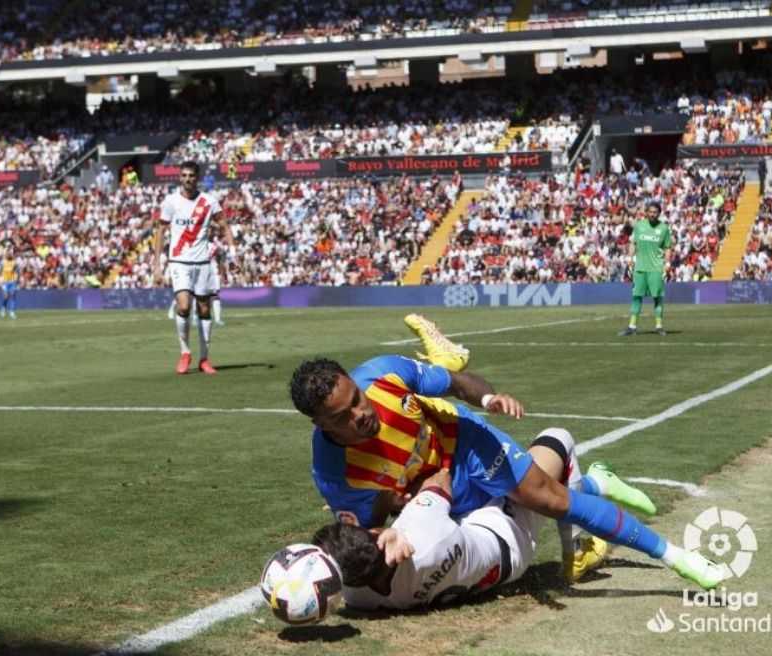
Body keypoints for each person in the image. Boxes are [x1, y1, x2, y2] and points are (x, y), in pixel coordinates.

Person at [289, 321, 723, 589]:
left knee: (548, 500)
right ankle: (594, 482)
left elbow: (458, 384)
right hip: (439, 495)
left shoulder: (383, 374)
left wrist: (490, 397)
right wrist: (385, 532)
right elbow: (365, 540)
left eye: (358, 399)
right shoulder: (334, 477)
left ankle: (677, 558)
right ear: (320, 425)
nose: (362, 414)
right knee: (511, 513)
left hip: (465, 445)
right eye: (344, 416)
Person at [313, 428, 643, 607]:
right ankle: (576, 554)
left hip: (481, 557)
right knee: (558, 442)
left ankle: (598, 484)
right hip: (507, 533)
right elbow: (439, 478)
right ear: (377, 538)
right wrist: (385, 499)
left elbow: (347, 564)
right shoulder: (421, 530)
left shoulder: (359, 595)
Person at [153, 161, 240, 374]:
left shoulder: (209, 202)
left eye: (191, 175)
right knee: (183, 306)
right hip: (179, 261)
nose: (187, 179)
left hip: (203, 263)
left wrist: (233, 254)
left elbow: (225, 227)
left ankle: (204, 359)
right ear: (179, 177)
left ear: (197, 177)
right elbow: (161, 232)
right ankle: (185, 352)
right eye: (183, 175)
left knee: (204, 308)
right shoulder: (171, 202)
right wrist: (156, 265)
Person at [619, 202, 671, 337]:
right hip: (640, 268)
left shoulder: (664, 228)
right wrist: (630, 259)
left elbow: (667, 247)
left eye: (655, 212)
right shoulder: (639, 226)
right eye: (650, 211)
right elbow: (633, 243)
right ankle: (632, 326)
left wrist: (667, 264)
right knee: (636, 296)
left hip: (656, 268)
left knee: (657, 298)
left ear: (659, 213)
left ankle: (659, 327)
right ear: (646, 212)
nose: (653, 214)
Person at [0, 248, 19, 319]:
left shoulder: (14, 263)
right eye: (8, 253)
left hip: (12, 281)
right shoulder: (2, 262)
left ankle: (12, 311)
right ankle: (3, 308)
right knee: (6, 296)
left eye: (10, 253)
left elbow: (16, 272)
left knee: (13, 295)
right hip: (5, 282)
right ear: (5, 255)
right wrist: (0, 280)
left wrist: (16, 281)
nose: (9, 255)